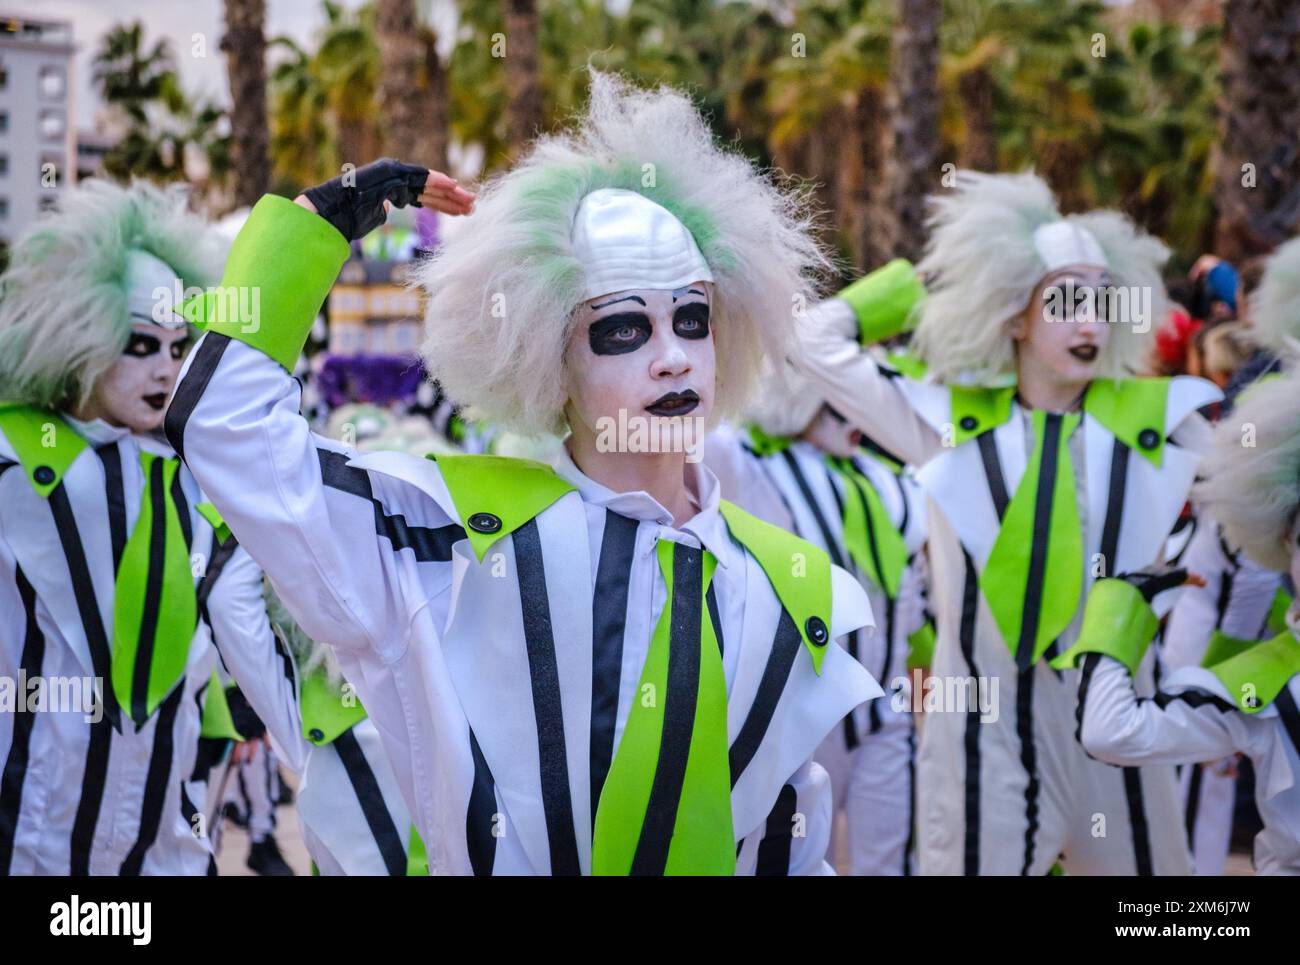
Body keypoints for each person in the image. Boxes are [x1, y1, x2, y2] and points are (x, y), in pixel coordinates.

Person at [164, 72, 881, 875]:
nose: (674, 356)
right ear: (548, 353)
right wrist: (315, 227)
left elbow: (790, 845)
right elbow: (225, 428)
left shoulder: (783, 583)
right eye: (623, 329)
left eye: (692, 318)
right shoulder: (441, 543)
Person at [793, 169, 1221, 875]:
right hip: (983, 736)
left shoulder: (1162, 422)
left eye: (1102, 302)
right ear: (1014, 313)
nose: (1089, 322)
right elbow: (811, 340)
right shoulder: (944, 421)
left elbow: (1257, 503)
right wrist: (917, 289)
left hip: (1120, 724)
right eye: (1065, 302)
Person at [0, 180, 302, 874]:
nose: (166, 368)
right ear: (81, 333)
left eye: (177, 345)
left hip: (167, 841)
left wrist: (312, 229)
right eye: (140, 344)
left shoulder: (201, 481)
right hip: (31, 840)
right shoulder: (16, 459)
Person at [1056, 371, 1300, 875]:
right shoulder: (1262, 685)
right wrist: (1117, 611)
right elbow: (1110, 732)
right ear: (1284, 544)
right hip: (1205, 668)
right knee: (1194, 816)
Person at [706, 374, 928, 875]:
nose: (853, 417)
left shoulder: (885, 479)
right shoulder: (749, 463)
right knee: (799, 858)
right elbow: (694, 437)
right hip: (800, 716)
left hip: (885, 714)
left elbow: (909, 593)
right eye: (835, 403)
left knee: (890, 862)